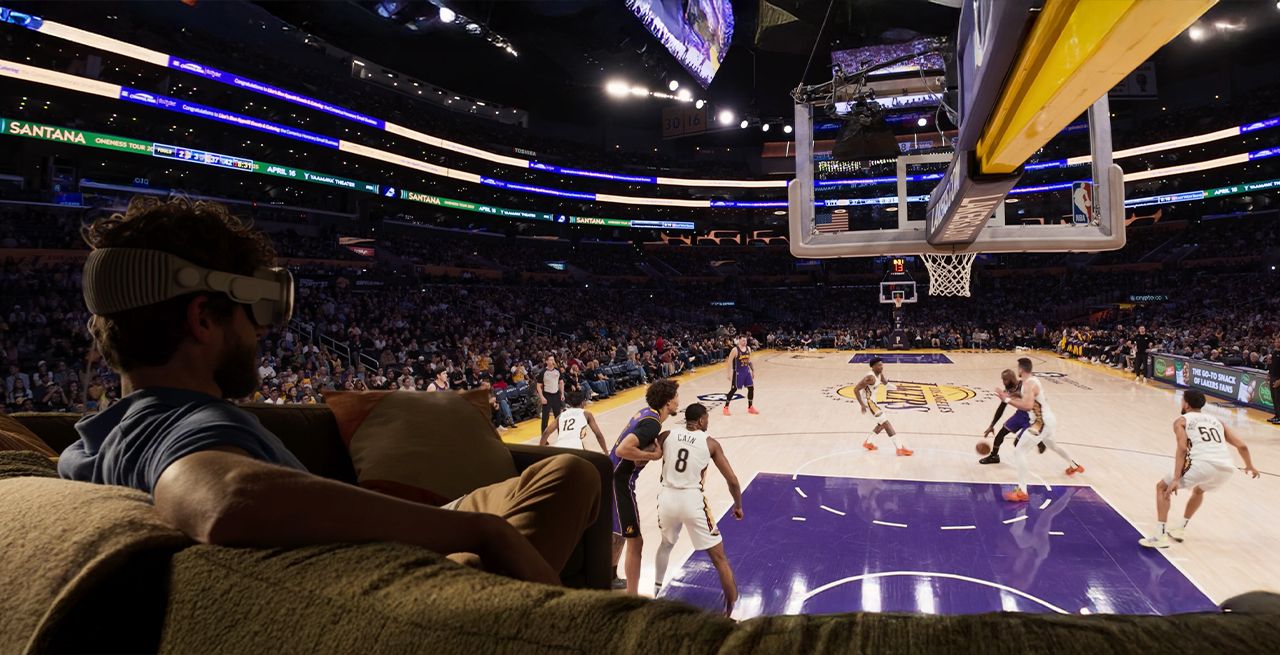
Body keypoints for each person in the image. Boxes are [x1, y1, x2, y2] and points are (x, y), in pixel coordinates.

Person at [57, 196, 599, 586]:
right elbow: (222, 499)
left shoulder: (91, 443)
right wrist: (481, 533)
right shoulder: (191, 424)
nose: (260, 333)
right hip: (392, 588)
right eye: (253, 313)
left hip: (352, 549)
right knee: (571, 480)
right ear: (203, 319)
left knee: (566, 470)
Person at [653, 403, 743, 615]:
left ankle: (656, 592)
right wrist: (738, 505)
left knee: (665, 545)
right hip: (692, 500)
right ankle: (730, 609)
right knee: (719, 559)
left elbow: (648, 451)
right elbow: (732, 480)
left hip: (666, 498)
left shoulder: (667, 435)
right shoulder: (710, 443)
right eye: (707, 419)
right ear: (702, 420)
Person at [1139, 390, 1259, 548]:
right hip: (1226, 469)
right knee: (1199, 490)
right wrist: (1250, 465)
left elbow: (1182, 449)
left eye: (1182, 401)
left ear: (1187, 404)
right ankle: (1180, 529)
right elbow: (1242, 446)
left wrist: (1176, 479)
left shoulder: (1181, 421)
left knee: (1162, 488)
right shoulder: (1217, 421)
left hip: (1202, 464)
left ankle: (1160, 536)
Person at [609, 379, 680, 594]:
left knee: (618, 533)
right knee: (635, 541)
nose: (678, 401)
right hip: (619, 482)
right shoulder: (653, 424)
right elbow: (623, 449)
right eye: (676, 397)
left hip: (610, 476)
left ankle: (608, 577)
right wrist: (653, 455)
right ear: (668, 402)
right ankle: (632, 598)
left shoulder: (646, 413)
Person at [999, 357, 1085, 502]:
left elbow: (1027, 406)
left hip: (1041, 423)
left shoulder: (1029, 384)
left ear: (1021, 369)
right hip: (1048, 420)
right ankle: (1074, 465)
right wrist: (1009, 396)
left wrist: (1007, 400)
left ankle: (1022, 491)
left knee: (1019, 451)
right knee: (1053, 446)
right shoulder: (1032, 381)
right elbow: (1027, 400)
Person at [853, 357, 912, 456]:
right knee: (886, 423)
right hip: (868, 403)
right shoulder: (870, 377)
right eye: (879, 365)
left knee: (882, 424)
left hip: (873, 402)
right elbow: (856, 389)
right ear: (873, 367)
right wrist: (862, 405)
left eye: (882, 364)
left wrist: (897, 388)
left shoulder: (879, 374)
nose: (881, 367)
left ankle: (868, 442)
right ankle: (900, 448)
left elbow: (886, 384)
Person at [979, 369, 1032, 465]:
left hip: (1031, 417)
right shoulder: (1007, 391)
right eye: (1002, 379)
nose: (1003, 382)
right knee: (1000, 435)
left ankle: (1039, 440)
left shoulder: (1024, 385)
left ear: (1012, 379)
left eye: (1005, 380)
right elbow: (1001, 409)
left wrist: (1010, 396)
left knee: (1018, 443)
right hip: (1020, 414)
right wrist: (992, 425)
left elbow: (1025, 398)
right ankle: (994, 456)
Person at [540, 390, 608, 452]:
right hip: (576, 448)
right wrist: (606, 452)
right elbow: (598, 434)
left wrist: (540, 452)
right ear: (582, 403)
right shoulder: (586, 414)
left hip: (559, 447)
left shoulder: (561, 415)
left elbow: (546, 433)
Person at [722, 335, 758, 416]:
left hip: (746, 372)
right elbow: (729, 361)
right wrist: (728, 373)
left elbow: (749, 361)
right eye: (743, 341)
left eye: (745, 340)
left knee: (751, 388)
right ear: (739, 341)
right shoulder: (735, 350)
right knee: (733, 389)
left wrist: (753, 370)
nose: (745, 342)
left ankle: (750, 407)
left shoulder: (748, 348)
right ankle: (726, 407)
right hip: (738, 373)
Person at [537, 355, 564, 433]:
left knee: (558, 417)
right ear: (546, 361)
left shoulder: (557, 371)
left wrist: (562, 394)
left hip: (556, 395)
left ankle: (560, 435)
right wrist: (542, 397)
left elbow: (561, 382)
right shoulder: (543, 372)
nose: (552, 361)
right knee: (545, 418)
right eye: (550, 360)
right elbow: (538, 386)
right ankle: (543, 436)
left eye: (553, 359)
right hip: (547, 396)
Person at [1269, 335, 1280, 425]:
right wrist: (1269, 374)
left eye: (1279, 342)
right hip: (1273, 377)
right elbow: (1272, 365)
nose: (1277, 343)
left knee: (1279, 399)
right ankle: (1277, 415)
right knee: (1274, 398)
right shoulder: (1274, 352)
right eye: (1276, 342)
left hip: (1278, 379)